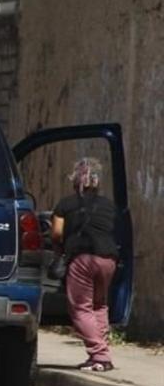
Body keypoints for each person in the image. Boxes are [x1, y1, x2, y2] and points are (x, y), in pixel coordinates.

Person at [51, 157, 120, 372]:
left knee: (81, 308)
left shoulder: (66, 204)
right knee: (100, 305)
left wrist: (59, 250)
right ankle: (102, 355)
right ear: (97, 182)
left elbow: (57, 233)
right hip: (108, 259)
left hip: (83, 259)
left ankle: (100, 356)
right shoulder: (109, 205)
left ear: (75, 180)